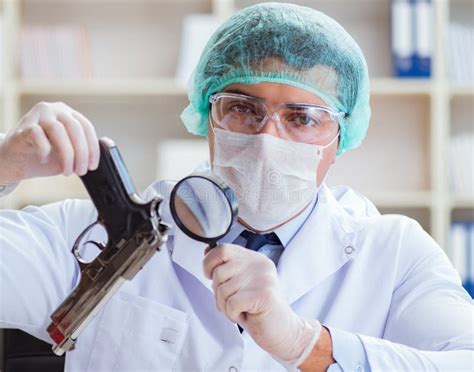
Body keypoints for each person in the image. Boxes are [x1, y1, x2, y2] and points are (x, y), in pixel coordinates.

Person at [0, 3, 472, 371]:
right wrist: (4, 166)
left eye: (302, 117)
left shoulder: (395, 254)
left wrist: (305, 343)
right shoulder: (93, 234)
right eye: (243, 108)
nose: (268, 138)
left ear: (340, 137)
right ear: (208, 115)